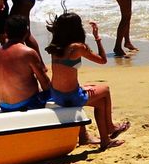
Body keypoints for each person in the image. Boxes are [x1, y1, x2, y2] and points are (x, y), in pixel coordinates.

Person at [46, 10, 129, 149]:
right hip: (71, 97)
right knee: (105, 90)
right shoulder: (77, 48)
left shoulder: (55, 47)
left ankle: (98, 139)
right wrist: (97, 38)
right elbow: (102, 60)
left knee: (98, 98)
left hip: (56, 94)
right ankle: (110, 127)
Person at [0, 14, 51, 112]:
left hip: (3, 105)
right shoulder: (28, 52)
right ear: (26, 32)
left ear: (6, 33)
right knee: (53, 92)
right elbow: (44, 81)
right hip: (26, 104)